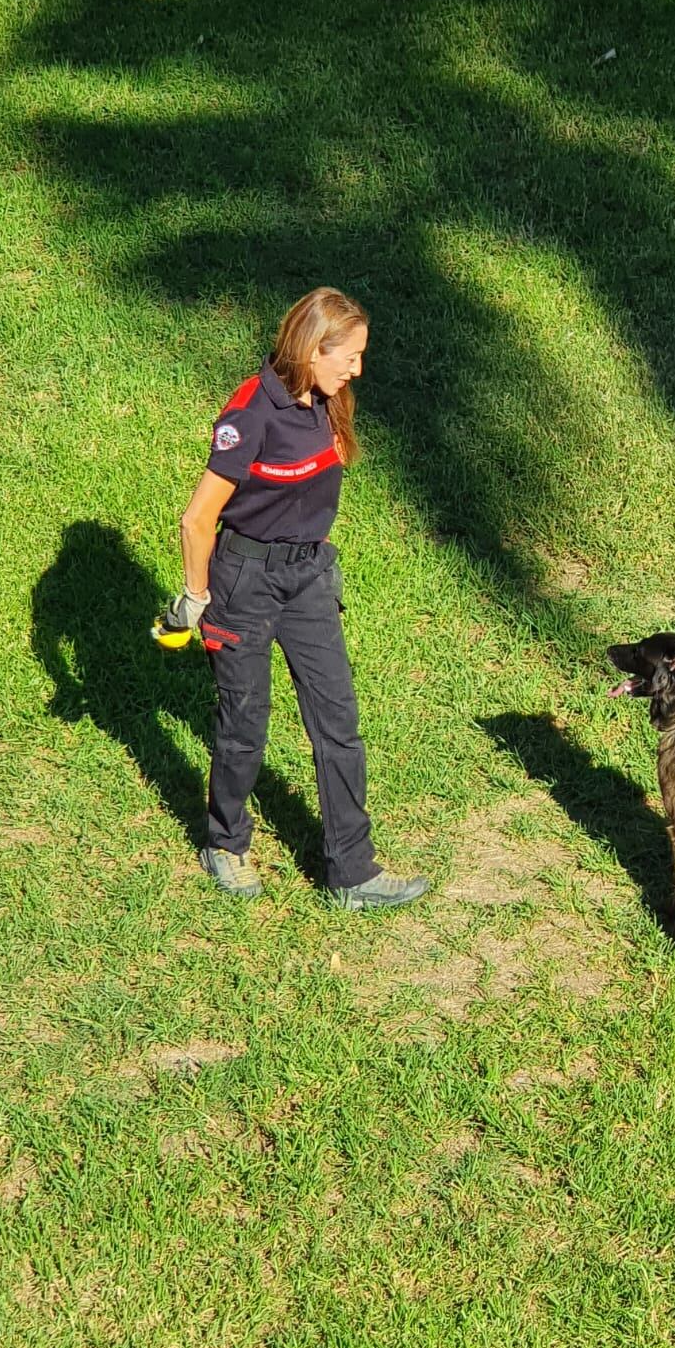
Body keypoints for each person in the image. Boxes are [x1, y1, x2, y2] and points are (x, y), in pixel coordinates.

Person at [166, 286, 430, 910]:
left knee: (338, 724)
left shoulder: (329, 399)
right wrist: (195, 596)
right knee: (244, 727)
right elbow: (197, 519)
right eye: (350, 357)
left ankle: (352, 872)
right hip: (244, 582)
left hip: (308, 577)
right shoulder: (250, 413)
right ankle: (225, 844)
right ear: (313, 349)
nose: (357, 370)